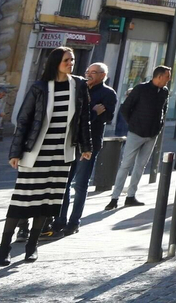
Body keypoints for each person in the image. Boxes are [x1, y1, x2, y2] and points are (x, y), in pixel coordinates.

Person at [0, 46, 93, 266]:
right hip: (35, 153)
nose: (70, 63)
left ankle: (32, 246)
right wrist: (15, 152)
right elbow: (24, 120)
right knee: (21, 201)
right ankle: (4, 248)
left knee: (49, 202)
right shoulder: (40, 87)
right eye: (66, 60)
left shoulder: (78, 85)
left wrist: (86, 146)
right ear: (55, 63)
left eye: (72, 60)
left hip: (61, 153)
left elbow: (83, 118)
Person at [47, 63, 115, 238]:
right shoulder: (78, 89)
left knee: (81, 184)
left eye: (94, 72)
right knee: (64, 183)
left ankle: (74, 222)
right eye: (87, 71)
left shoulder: (108, 93)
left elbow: (107, 117)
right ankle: (59, 220)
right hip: (71, 142)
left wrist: (93, 114)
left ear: (103, 75)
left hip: (89, 144)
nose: (89, 75)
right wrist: (93, 111)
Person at [106, 65, 170, 209]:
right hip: (136, 133)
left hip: (152, 134)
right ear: (159, 76)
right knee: (126, 165)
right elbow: (125, 108)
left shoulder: (164, 91)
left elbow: (163, 109)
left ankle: (131, 196)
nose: (168, 80)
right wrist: (134, 124)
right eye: (167, 77)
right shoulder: (141, 89)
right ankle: (114, 198)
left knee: (140, 166)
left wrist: (158, 126)